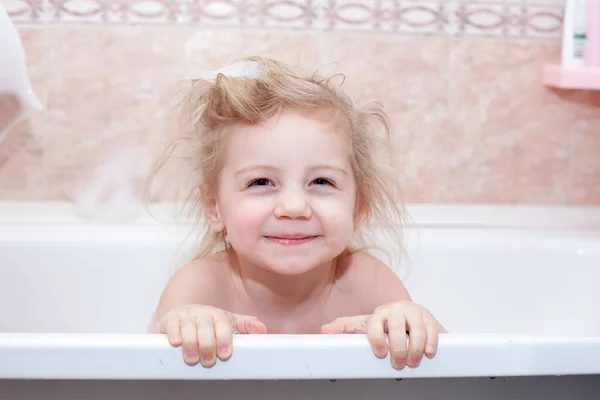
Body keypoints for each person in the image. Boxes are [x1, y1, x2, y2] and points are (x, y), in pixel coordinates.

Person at [150, 56, 446, 370]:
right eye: (261, 181)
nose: (294, 208)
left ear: (358, 207)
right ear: (215, 207)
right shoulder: (201, 284)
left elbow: (451, 370)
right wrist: (186, 325)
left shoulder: (368, 280)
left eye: (321, 181)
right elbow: (149, 367)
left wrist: (413, 324)